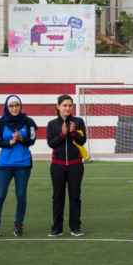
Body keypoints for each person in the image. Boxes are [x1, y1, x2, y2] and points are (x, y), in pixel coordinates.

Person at [0, 95, 38, 238]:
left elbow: (32, 140)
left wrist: (21, 139)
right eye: (11, 106)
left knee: (21, 196)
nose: (14, 108)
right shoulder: (0, 122)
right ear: (6, 107)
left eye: (17, 105)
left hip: (23, 165)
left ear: (21, 106)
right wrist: (10, 142)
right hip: (4, 164)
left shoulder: (29, 121)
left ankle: (18, 225)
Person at [47, 95, 87, 237]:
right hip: (57, 165)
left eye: (70, 105)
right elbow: (51, 143)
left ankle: (75, 227)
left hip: (75, 165)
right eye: (64, 105)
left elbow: (82, 141)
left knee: (75, 196)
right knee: (58, 197)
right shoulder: (52, 124)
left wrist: (73, 132)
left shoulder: (78, 121)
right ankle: (57, 228)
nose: (67, 108)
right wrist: (63, 135)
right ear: (58, 106)